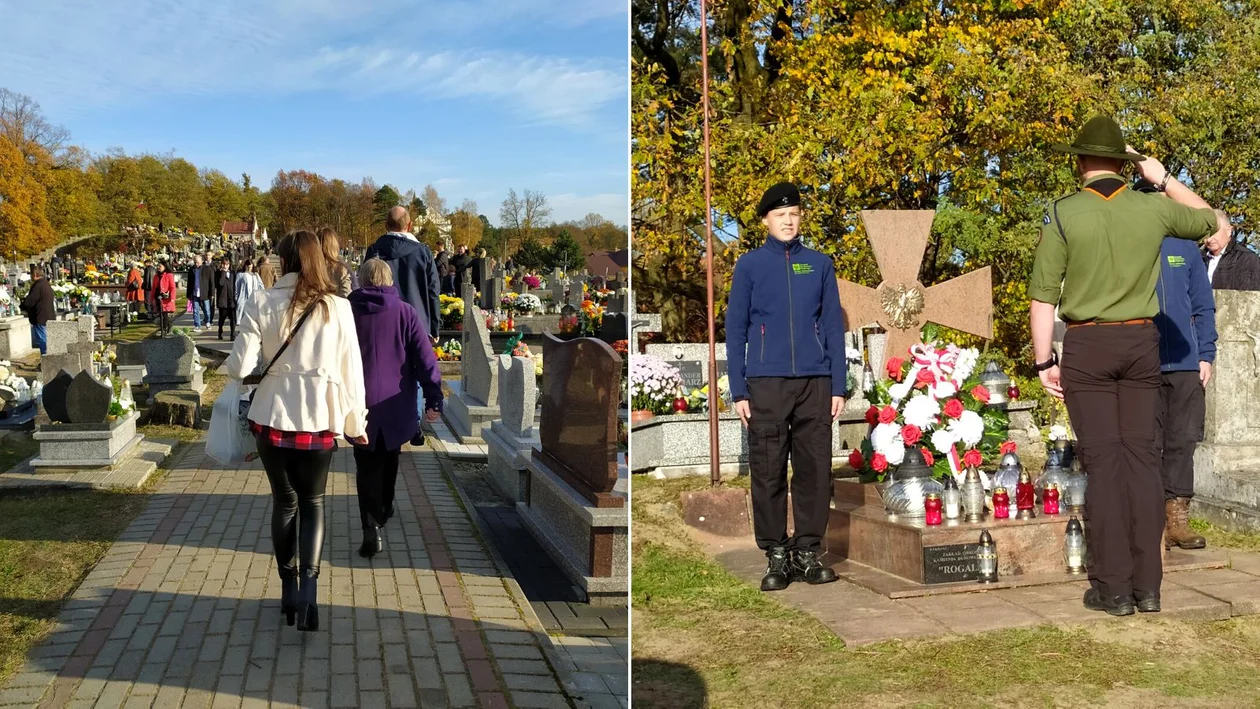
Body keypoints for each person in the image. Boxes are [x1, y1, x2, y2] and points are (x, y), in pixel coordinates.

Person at [1029, 115, 1218, 616]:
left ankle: (1113, 588)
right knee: (1141, 460)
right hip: (1142, 343)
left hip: (1089, 346)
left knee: (1105, 465)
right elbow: (1213, 221)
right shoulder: (1152, 208)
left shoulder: (1064, 213)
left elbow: (1043, 295)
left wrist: (1044, 359)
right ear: (1123, 162)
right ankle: (1149, 586)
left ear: (1081, 161)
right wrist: (1162, 179)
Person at [224, 231, 368, 632]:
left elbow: (239, 367)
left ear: (284, 261)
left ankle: (288, 588)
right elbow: (351, 372)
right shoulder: (338, 308)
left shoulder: (261, 301)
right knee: (314, 503)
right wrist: (356, 423)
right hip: (320, 416)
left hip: (272, 416)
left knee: (284, 503)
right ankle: (309, 591)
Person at [726, 182, 847, 592]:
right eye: (780, 215)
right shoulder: (750, 266)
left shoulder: (819, 264)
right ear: (766, 220)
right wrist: (739, 389)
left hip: (815, 381)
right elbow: (735, 328)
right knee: (768, 469)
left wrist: (838, 385)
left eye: (794, 213)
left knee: (814, 470)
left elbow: (833, 325)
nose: (788, 220)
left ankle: (808, 552)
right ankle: (776, 553)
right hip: (766, 381)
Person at [348, 258, 444, 558]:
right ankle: (386, 505)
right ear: (390, 282)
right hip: (396, 400)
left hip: (358, 400)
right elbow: (425, 358)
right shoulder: (406, 312)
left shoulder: (346, 312)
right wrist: (433, 397)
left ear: (361, 281)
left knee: (365, 466)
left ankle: (370, 528)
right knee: (389, 455)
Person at [1152, 223, 1215, 551]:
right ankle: (1148, 521)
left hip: (1187, 362)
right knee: (1146, 442)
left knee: (1182, 440)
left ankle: (1177, 517)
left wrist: (1206, 353)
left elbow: (1203, 304)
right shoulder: (1129, 239)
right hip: (1142, 360)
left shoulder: (1185, 247)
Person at [364, 206, 442, 445]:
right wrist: (435, 327)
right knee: (417, 370)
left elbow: (365, 283)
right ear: (409, 226)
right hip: (417, 319)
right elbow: (433, 291)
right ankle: (414, 422)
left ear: (386, 226)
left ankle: (384, 421)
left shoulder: (374, 250)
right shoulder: (423, 252)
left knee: (390, 370)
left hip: (381, 319)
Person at [1202, 210, 1260, 290]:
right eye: (1205, 233)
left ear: (1229, 230)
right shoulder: (1196, 258)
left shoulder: (1247, 259)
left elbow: (1251, 297)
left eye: (1214, 232)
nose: (1209, 239)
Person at [20, 266, 54, 354]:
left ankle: (45, 362)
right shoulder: (45, 284)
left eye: (31, 274)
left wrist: (22, 305)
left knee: (42, 341)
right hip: (48, 316)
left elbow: (30, 301)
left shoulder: (38, 285)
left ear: (35, 274)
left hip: (40, 317)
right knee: (47, 341)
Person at [317, 227, 353, 297]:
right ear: (335, 245)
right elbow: (347, 295)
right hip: (337, 306)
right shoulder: (341, 269)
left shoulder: (311, 268)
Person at [187, 255, 215, 332]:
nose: (197, 264)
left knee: (207, 310)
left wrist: (212, 293)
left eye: (198, 262)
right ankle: (197, 325)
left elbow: (211, 282)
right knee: (195, 310)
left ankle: (208, 321)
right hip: (194, 293)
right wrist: (188, 294)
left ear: (202, 261)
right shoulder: (192, 269)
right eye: (195, 262)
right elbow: (189, 283)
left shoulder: (207, 268)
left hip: (205, 293)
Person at [214, 256, 237, 340]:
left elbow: (235, 284)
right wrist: (223, 273)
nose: (225, 266)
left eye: (227, 264)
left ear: (229, 264)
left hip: (231, 300)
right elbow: (220, 283)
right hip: (223, 300)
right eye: (223, 264)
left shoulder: (233, 273)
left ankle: (232, 334)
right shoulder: (218, 273)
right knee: (222, 319)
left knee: (233, 319)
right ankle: (220, 331)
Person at [235, 260, 264, 324]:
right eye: (248, 267)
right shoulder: (240, 275)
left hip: (254, 299)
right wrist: (236, 298)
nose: (249, 269)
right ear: (245, 266)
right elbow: (237, 287)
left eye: (251, 267)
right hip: (244, 299)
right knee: (243, 318)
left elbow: (261, 285)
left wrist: (261, 295)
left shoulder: (255, 275)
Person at [153, 260, 177, 336]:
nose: (158, 268)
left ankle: (165, 328)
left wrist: (172, 298)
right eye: (158, 266)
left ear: (164, 267)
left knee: (165, 314)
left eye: (160, 266)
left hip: (166, 297)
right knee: (160, 314)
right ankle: (165, 327)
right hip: (158, 296)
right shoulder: (156, 276)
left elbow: (172, 287)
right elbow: (154, 288)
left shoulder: (169, 275)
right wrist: (152, 298)